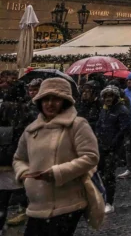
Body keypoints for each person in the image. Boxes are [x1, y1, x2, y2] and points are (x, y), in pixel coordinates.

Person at [13, 78, 98, 236]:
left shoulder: (77, 125)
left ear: (65, 102)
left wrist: (57, 172)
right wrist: (24, 173)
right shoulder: (31, 130)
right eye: (46, 99)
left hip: (67, 204)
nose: (50, 104)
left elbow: (90, 157)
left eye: (56, 99)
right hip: (36, 205)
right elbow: (19, 159)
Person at [0, 82, 32, 230]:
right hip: (16, 160)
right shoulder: (26, 110)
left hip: (7, 158)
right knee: (10, 194)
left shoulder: (5, 107)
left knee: (3, 197)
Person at [95, 86, 130, 213]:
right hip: (101, 146)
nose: (108, 99)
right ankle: (100, 199)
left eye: (110, 96)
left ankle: (109, 202)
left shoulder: (121, 110)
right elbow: (99, 124)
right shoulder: (104, 110)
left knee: (109, 175)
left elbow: (124, 129)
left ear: (115, 97)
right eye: (106, 96)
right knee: (99, 173)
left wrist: (113, 143)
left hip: (113, 149)